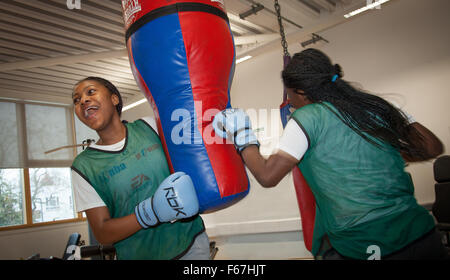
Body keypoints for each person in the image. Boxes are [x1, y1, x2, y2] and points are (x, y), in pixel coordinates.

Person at [213, 48, 447, 260]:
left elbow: (267, 175)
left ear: (302, 92)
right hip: (423, 233)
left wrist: (243, 135)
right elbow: (433, 147)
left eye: (290, 94)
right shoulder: (371, 105)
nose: (290, 101)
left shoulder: (307, 117)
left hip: (370, 242)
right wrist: (388, 140)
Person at [71, 77, 209, 260]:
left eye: (90, 92)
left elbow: (190, 157)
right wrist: (149, 212)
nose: (83, 100)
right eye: (76, 100)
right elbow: (102, 232)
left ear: (114, 99)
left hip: (190, 244)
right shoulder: (83, 166)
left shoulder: (148, 126)